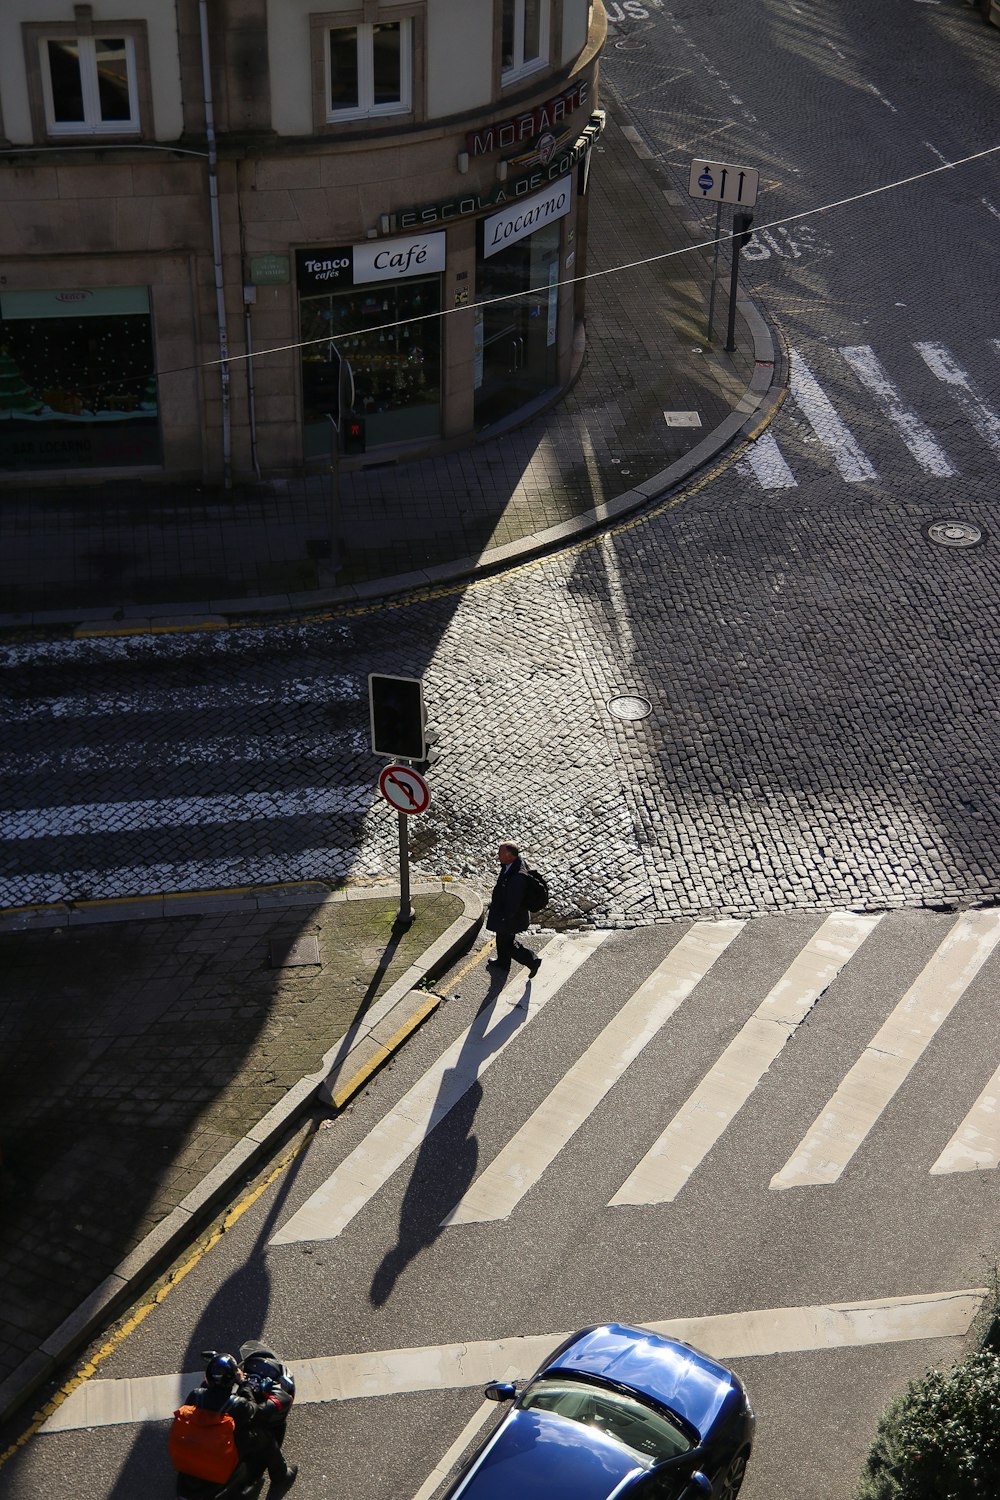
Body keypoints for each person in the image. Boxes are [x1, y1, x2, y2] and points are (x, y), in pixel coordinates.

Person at [185, 1353, 298, 1491]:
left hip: (200, 1440)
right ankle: (281, 1476)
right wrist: (244, 1383)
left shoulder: (196, 1395)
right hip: (223, 1444)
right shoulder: (237, 1405)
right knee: (265, 1438)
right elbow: (254, 1409)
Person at [485, 842, 541, 977]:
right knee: (501, 939)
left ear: (510, 856)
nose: (498, 856)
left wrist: (505, 918)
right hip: (506, 914)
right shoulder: (511, 864)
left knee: (508, 944)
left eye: (500, 853)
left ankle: (532, 961)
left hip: (511, 917)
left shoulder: (517, 877)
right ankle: (503, 963)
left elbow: (513, 902)